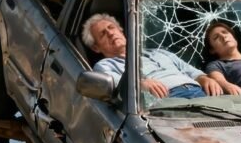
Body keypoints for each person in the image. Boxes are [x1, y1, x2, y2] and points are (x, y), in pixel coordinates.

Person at [82, 13, 222, 99]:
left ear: (121, 30)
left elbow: (192, 71)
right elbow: (117, 87)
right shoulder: (105, 65)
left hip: (201, 95)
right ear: (96, 47)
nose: (110, 33)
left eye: (111, 28)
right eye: (103, 34)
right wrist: (140, 83)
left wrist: (205, 79)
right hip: (167, 100)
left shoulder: (159, 52)